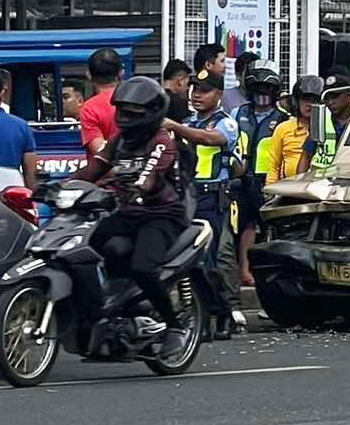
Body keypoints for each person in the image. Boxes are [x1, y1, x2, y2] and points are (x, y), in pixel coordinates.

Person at [70, 76, 190, 359]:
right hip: (128, 212)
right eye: (121, 111)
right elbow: (93, 169)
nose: (125, 118)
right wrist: (57, 187)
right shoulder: (119, 140)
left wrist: (140, 186)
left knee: (143, 268)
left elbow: (150, 175)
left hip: (161, 216)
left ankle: (174, 326)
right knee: (84, 248)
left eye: (133, 113)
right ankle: (105, 312)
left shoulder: (162, 141)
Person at [164, 69, 239, 340]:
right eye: (194, 89)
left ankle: (220, 314)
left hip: (211, 198)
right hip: (186, 196)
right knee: (188, 261)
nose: (196, 95)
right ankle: (206, 316)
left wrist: (175, 127)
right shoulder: (188, 120)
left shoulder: (226, 122)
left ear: (218, 94)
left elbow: (211, 139)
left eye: (204, 90)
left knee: (207, 261)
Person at [230, 59, 288, 287]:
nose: (262, 95)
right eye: (257, 90)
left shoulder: (284, 118)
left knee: (267, 227)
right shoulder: (238, 113)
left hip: (269, 182)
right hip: (242, 181)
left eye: (267, 90)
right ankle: (243, 269)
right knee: (244, 226)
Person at [298, 69, 350, 174]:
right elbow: (306, 155)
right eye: (327, 97)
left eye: (335, 96)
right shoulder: (320, 118)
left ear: (349, 95)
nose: (330, 102)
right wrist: (298, 183)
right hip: (319, 181)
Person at [269, 75, 323, 182]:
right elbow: (273, 165)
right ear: (296, 101)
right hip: (289, 188)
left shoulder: (329, 128)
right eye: (305, 99)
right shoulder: (283, 128)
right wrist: (271, 189)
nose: (310, 104)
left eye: (314, 100)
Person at [80, 48, 123, 155]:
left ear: (89, 75)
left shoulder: (89, 109)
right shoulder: (139, 99)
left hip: (108, 171)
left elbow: (100, 153)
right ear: (121, 73)